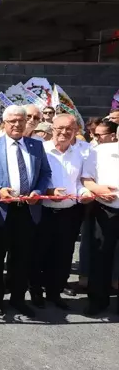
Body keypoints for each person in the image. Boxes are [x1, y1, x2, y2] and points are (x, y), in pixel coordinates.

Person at [0, 104, 52, 318]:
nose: (18, 124)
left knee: (22, 257)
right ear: (5, 123)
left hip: (27, 210)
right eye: (13, 121)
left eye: (21, 120)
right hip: (1, 210)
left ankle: (18, 298)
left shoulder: (36, 146)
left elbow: (45, 173)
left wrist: (38, 191)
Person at [28, 114, 93, 311]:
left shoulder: (82, 153)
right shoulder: (41, 150)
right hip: (44, 211)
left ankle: (54, 293)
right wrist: (48, 192)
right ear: (52, 129)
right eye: (60, 128)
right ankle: (36, 292)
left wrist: (84, 193)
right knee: (39, 253)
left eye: (69, 129)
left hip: (70, 213)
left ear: (75, 132)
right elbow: (34, 179)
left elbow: (79, 182)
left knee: (63, 255)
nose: (64, 132)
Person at [81, 124, 119, 315]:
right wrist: (98, 190)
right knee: (101, 256)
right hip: (106, 210)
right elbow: (86, 179)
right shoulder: (99, 151)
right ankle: (97, 300)